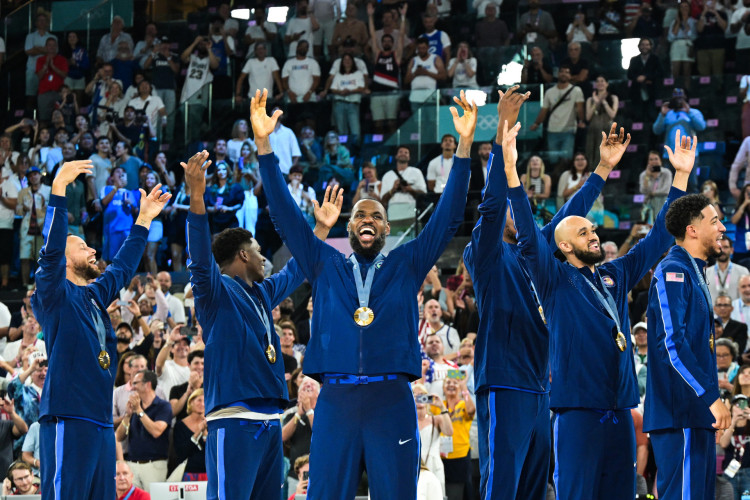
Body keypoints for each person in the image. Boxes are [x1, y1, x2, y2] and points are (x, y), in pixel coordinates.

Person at [254, 87, 477, 500]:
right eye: (360, 215)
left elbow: (447, 219)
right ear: (350, 227)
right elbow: (285, 216)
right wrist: (264, 146)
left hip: (391, 397)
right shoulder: (324, 262)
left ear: (387, 228)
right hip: (335, 398)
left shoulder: (406, 263)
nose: (368, 219)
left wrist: (464, 146)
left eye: (376, 215)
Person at [503, 121, 693, 499]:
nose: (594, 234)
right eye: (583, 232)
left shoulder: (616, 274)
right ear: (565, 247)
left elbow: (658, 238)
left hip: (621, 414)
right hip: (577, 416)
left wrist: (682, 177)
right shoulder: (552, 278)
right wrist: (511, 171)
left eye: (593, 229)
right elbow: (526, 232)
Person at [464, 88, 627, 500]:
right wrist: (503, 139)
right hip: (505, 382)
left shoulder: (537, 255)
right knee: (502, 486)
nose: (519, 214)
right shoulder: (486, 253)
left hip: (543, 387)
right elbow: (492, 204)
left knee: (535, 489)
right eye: (509, 210)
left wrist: (603, 170)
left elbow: (570, 216)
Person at [182, 146, 340, 499]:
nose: (264, 257)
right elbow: (197, 255)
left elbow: (298, 267)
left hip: (270, 420)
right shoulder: (215, 290)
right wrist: (197, 195)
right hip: (233, 418)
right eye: (257, 250)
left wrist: (321, 228)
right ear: (242, 255)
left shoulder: (263, 293)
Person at [31, 158, 170, 500]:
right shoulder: (54, 293)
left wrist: (144, 219)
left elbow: (122, 268)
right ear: (63, 258)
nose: (93, 249)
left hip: (101, 421)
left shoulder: (93, 295)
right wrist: (59, 191)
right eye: (83, 246)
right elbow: (51, 252)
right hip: (68, 416)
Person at [644, 190, 732, 500]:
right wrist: (711, 398)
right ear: (692, 230)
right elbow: (671, 345)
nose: (722, 227)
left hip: (694, 412)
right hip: (679, 411)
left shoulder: (694, 272)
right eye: (715, 221)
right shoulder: (673, 270)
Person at [115, 369, 172, 489]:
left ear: (148, 385)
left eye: (135, 383)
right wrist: (128, 415)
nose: (132, 386)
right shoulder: (134, 407)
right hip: (132, 465)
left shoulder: (163, 406)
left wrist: (139, 411)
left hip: (154, 465)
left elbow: (156, 431)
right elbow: (119, 437)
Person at [529, 65, 585, 165]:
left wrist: (581, 121)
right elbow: (544, 111)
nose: (564, 74)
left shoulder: (576, 90)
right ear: (558, 74)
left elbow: (579, 108)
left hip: (569, 130)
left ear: (570, 76)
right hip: (552, 130)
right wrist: (536, 123)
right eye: (562, 71)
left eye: (567, 72)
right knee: (553, 160)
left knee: (566, 160)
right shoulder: (549, 92)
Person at [413, 383, 452, 495]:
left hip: (434, 464)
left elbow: (449, 432)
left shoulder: (436, 419)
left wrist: (442, 407)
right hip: (415, 465)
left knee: (436, 494)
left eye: (422, 395)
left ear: (427, 398)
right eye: (415, 394)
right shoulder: (408, 422)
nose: (418, 397)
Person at [173, 389, 208, 481]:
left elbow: (211, 451)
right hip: (188, 473)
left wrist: (205, 433)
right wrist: (197, 433)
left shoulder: (210, 425)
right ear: (191, 402)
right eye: (199, 400)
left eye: (205, 401)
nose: (202, 404)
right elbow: (182, 452)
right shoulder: (180, 425)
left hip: (208, 473)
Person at [585, 75, 618, 167]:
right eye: (598, 81)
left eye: (602, 81)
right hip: (594, 130)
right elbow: (588, 117)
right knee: (592, 154)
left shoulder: (613, 98)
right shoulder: (590, 99)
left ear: (607, 84)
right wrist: (595, 103)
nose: (600, 83)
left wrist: (603, 102)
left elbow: (612, 115)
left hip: (607, 129)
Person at [639, 151, 673, 224]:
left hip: (663, 204)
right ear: (648, 162)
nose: (654, 161)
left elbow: (666, 190)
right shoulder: (643, 175)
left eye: (656, 159)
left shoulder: (666, 173)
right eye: (651, 159)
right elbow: (643, 190)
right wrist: (647, 177)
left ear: (660, 160)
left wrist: (651, 193)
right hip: (649, 206)